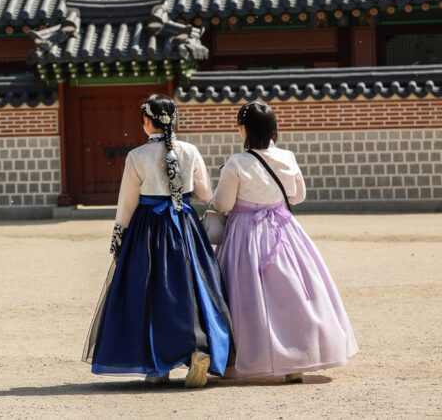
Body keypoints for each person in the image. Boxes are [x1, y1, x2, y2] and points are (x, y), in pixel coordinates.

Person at [83, 94, 232, 388]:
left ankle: (157, 366)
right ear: (173, 120)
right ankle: (198, 350)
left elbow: (127, 204)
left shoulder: (136, 156)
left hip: (149, 228)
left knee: (151, 292)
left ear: (147, 121)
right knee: (193, 289)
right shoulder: (190, 150)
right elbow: (204, 196)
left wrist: (117, 241)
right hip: (186, 226)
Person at [213, 101, 358, 380]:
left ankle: (245, 359)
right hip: (283, 230)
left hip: (245, 233)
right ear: (272, 130)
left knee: (244, 295)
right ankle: (298, 360)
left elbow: (223, 203)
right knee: (295, 293)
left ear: (244, 129)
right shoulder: (288, 157)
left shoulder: (237, 162)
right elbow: (297, 196)